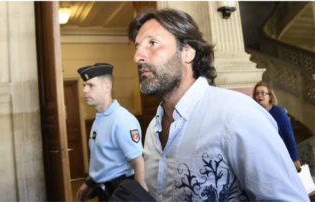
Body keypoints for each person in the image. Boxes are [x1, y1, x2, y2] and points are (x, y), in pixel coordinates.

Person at [128, 8, 309, 201]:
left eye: (152, 43)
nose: (137, 56)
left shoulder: (238, 115)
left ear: (187, 52)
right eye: (137, 47)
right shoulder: (152, 131)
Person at [76, 63, 147, 202]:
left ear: (107, 87)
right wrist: (87, 184)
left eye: (91, 85)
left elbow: (139, 164)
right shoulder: (99, 120)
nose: (84, 90)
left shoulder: (122, 120)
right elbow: (102, 161)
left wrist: (138, 197)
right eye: (84, 85)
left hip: (122, 193)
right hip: (105, 194)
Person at [253, 81, 301, 171]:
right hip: (262, 157)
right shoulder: (254, 113)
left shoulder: (279, 112)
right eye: (257, 93)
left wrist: (294, 159)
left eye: (263, 93)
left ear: (270, 96)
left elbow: (288, 136)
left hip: (279, 155)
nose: (260, 95)